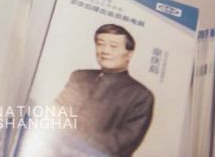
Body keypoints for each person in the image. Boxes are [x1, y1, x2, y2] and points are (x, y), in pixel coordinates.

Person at [55, 24, 154, 157]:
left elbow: (123, 142)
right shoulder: (79, 76)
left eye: (113, 46)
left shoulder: (141, 95)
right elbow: (57, 112)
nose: (105, 51)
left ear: (129, 54)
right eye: (100, 44)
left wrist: (72, 140)